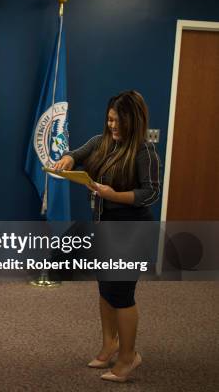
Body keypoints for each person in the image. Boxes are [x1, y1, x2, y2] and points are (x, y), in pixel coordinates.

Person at [54, 90, 161, 383]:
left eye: (119, 121)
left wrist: (115, 195)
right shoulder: (102, 142)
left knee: (121, 294)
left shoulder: (145, 151)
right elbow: (78, 154)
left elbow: (150, 193)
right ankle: (109, 346)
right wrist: (67, 160)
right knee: (105, 289)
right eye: (110, 119)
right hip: (104, 225)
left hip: (132, 230)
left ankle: (129, 357)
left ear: (133, 122)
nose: (112, 126)